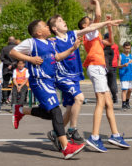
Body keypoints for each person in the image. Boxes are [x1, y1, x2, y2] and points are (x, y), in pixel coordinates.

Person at [10, 20, 86, 159]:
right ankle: (66, 147)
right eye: (45, 26)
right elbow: (13, 52)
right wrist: (30, 59)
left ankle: (21, 110)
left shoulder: (51, 43)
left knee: (50, 113)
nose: (47, 27)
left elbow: (57, 57)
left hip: (50, 81)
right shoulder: (31, 42)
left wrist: (72, 48)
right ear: (38, 32)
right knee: (56, 111)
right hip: (39, 81)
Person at [46, 13, 123, 149]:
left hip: (74, 76)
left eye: (63, 19)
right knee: (80, 98)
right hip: (63, 77)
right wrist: (72, 48)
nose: (64, 21)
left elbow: (92, 27)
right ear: (54, 28)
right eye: (60, 20)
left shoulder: (72, 34)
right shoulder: (52, 42)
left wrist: (107, 24)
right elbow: (56, 57)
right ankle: (72, 129)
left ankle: (55, 132)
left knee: (70, 109)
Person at [78, 0, 130, 152]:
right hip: (95, 67)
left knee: (109, 104)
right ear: (85, 25)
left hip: (100, 68)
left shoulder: (95, 36)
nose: (92, 20)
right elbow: (98, 18)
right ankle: (94, 137)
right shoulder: (89, 33)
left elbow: (111, 42)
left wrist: (110, 27)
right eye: (89, 20)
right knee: (101, 101)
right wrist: (98, 4)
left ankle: (115, 134)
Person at [118, 41, 132, 110]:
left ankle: (127, 102)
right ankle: (123, 104)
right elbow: (118, 65)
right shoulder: (121, 56)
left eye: (129, 48)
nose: (127, 50)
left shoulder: (131, 56)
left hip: (130, 75)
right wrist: (123, 65)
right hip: (123, 75)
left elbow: (131, 64)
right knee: (124, 90)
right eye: (126, 48)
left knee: (130, 89)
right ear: (123, 48)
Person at [0, 36, 19, 104]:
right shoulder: (17, 48)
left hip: (6, 68)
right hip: (15, 68)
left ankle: (4, 99)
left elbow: (2, 58)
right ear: (14, 41)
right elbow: (18, 59)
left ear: (8, 41)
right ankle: (14, 99)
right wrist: (12, 64)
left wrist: (9, 64)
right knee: (15, 84)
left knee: (5, 84)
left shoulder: (4, 48)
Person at [103, 31, 119, 103]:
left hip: (106, 66)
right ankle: (115, 95)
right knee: (113, 81)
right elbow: (118, 55)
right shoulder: (115, 45)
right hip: (114, 65)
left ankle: (108, 97)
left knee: (106, 82)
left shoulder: (104, 46)